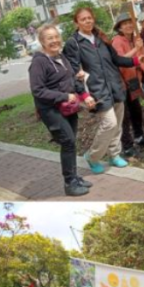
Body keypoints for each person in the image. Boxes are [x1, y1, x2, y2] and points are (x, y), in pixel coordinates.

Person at [64, 6, 141, 174]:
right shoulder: (74, 43)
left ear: (93, 19)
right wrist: (84, 95)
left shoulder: (101, 39)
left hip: (115, 87)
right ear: (76, 22)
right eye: (83, 19)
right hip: (96, 91)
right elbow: (74, 72)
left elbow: (117, 59)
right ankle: (92, 156)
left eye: (89, 18)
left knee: (117, 124)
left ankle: (114, 155)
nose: (87, 21)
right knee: (109, 123)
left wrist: (136, 61)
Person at [28, 24, 96, 197]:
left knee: (71, 141)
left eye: (56, 36)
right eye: (49, 38)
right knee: (67, 141)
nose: (54, 40)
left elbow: (71, 80)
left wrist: (82, 90)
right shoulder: (39, 62)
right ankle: (69, 183)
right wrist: (64, 96)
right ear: (42, 41)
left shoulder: (61, 57)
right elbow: (38, 90)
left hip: (68, 107)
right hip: (51, 109)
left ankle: (74, 176)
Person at [110, 13, 144, 156]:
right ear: (120, 28)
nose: (128, 25)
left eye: (130, 23)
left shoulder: (136, 39)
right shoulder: (117, 41)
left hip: (134, 80)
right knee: (125, 115)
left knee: (136, 111)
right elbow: (119, 59)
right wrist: (136, 49)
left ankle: (139, 137)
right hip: (122, 82)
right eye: (125, 24)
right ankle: (127, 146)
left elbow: (141, 59)